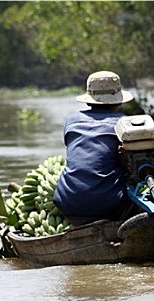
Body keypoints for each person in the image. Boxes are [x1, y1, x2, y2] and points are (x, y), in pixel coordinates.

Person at [53, 71, 137, 226]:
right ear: (118, 101)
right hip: (108, 207)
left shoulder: (72, 121)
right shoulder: (124, 124)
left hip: (66, 203)